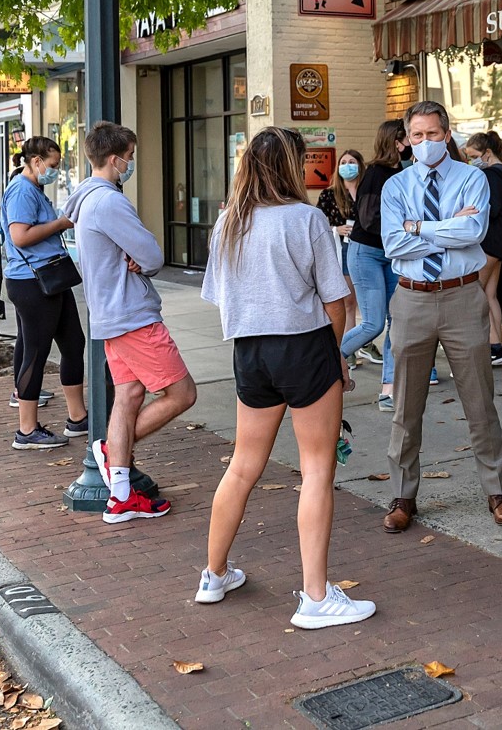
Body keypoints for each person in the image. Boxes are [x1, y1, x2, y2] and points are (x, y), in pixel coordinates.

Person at [198, 128, 375, 629]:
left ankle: (213, 574)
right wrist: (337, 356)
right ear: (290, 167)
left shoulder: (227, 223)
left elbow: (218, 295)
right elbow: (335, 299)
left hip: (250, 353)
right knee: (317, 469)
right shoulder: (307, 219)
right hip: (304, 347)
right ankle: (316, 598)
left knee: (242, 465)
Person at [379, 101, 502, 533]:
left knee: (480, 401)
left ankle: (498, 492)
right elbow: (392, 245)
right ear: (406, 139)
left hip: (462, 298)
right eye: (416, 136)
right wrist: (443, 231)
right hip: (412, 300)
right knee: (406, 406)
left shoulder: (472, 177)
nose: (425, 143)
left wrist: (417, 227)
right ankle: (404, 497)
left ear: (447, 133)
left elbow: (473, 232)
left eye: (433, 134)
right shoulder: (395, 187)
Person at [63, 121, 198, 524]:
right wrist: (142, 258)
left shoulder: (85, 201)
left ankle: (120, 496)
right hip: (132, 316)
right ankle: (109, 450)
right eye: (131, 158)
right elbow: (153, 255)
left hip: (110, 314)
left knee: (129, 396)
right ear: (114, 158)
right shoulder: (109, 202)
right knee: (182, 394)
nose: (131, 164)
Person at [1, 137, 88, 449]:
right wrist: (61, 223)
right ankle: (27, 430)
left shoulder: (33, 189)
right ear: (35, 161)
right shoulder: (23, 191)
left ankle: (78, 418)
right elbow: (20, 236)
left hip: (49, 277)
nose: (55, 171)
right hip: (32, 282)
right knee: (35, 354)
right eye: (52, 165)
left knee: (73, 342)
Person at [340, 121, 405, 412]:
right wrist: (408, 228)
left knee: (398, 322)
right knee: (373, 323)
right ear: (394, 141)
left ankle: (388, 390)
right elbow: (368, 220)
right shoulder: (376, 173)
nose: (412, 144)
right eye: (408, 138)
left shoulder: (403, 172)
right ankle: (326, 361)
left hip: (392, 255)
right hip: (366, 252)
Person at [463, 131, 502, 366]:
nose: (471, 161)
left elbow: (491, 208)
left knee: (475, 295)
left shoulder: (491, 176)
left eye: (474, 156)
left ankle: (494, 347)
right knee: (490, 295)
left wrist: (468, 210)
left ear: (487, 153)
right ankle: (499, 350)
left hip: (490, 242)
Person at [317, 149, 363, 336]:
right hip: (342, 248)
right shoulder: (329, 195)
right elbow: (319, 225)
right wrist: (337, 229)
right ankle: (348, 346)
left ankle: (364, 342)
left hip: (367, 247)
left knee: (367, 302)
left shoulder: (366, 191)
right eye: (343, 163)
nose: (347, 166)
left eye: (352, 162)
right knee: (348, 301)